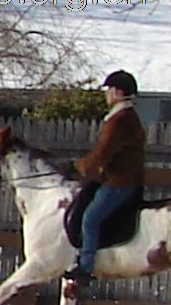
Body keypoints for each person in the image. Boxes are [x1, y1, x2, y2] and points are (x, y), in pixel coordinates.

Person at [63, 70, 146, 284]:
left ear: (118, 92)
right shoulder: (123, 117)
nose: (106, 94)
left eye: (109, 90)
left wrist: (78, 166)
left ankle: (86, 267)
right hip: (115, 178)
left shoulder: (120, 120)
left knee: (90, 218)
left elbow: (102, 153)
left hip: (119, 182)